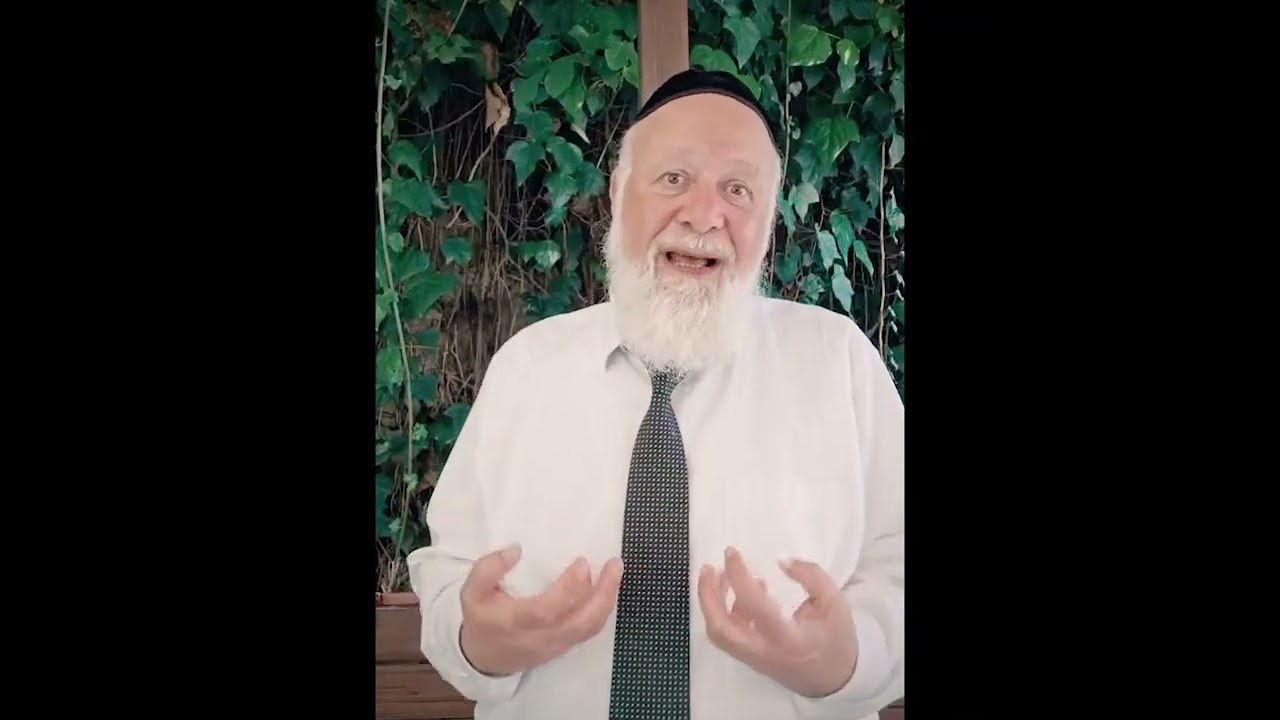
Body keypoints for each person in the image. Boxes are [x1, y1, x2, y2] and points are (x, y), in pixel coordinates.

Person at [407, 69, 903, 720]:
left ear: (768, 218)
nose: (704, 214)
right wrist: (478, 643)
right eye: (674, 178)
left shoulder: (838, 362)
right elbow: (451, 570)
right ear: (619, 192)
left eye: (738, 189)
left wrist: (849, 657)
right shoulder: (527, 366)